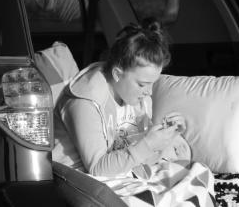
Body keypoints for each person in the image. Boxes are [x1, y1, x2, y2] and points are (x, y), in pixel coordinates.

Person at [53, 20, 216, 206]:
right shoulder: (84, 101)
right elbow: (98, 168)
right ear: (117, 73)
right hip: (85, 183)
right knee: (158, 198)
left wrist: (165, 138)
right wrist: (149, 144)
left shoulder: (135, 96)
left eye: (152, 83)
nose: (148, 91)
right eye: (142, 84)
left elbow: (135, 153)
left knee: (198, 171)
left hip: (123, 173)